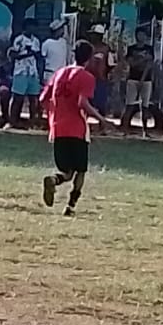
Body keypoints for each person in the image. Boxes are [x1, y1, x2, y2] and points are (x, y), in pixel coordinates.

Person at [40, 39, 104, 217]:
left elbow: (43, 100)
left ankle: (53, 179)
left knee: (66, 172)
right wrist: (101, 119)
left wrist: (54, 114)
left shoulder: (59, 73)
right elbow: (82, 103)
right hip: (77, 128)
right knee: (80, 171)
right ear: (89, 58)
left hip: (58, 128)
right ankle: (71, 206)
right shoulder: (87, 77)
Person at [5, 21, 43, 129]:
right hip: (21, 71)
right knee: (17, 97)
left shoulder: (36, 41)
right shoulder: (19, 40)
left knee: (33, 98)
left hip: (33, 72)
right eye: (31, 27)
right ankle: (12, 121)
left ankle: (33, 122)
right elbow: (14, 56)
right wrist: (29, 53)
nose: (33, 30)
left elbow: (38, 56)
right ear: (26, 28)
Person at [120, 27, 157, 134]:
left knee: (145, 106)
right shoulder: (131, 49)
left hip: (146, 80)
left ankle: (145, 130)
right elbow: (131, 64)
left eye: (143, 35)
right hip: (132, 79)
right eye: (139, 35)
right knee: (129, 105)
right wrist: (143, 59)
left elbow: (149, 65)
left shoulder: (149, 48)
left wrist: (142, 78)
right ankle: (125, 130)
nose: (141, 37)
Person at [87, 25, 111, 116]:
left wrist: (105, 73)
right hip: (87, 78)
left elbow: (111, 64)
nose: (91, 36)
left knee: (101, 103)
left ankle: (102, 124)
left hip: (100, 79)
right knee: (86, 101)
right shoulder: (88, 46)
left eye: (94, 34)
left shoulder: (106, 48)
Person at [40, 19, 70, 88]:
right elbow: (42, 61)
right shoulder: (47, 43)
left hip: (62, 73)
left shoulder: (63, 42)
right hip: (50, 73)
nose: (62, 30)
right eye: (61, 28)